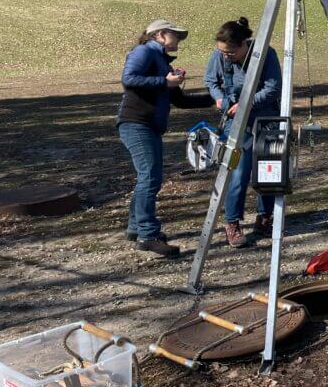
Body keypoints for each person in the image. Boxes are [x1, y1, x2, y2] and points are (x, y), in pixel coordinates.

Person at [117, 19, 212, 256]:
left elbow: (180, 100)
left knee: (147, 178)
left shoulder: (163, 62)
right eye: (176, 35)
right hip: (136, 122)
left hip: (148, 125)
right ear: (160, 34)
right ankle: (147, 235)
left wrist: (215, 99)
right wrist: (164, 81)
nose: (179, 40)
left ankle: (135, 228)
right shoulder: (144, 51)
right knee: (150, 178)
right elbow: (129, 79)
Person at [204, 17, 282, 248]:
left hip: (265, 119)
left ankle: (265, 216)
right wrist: (219, 98)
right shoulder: (219, 56)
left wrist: (247, 103)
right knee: (237, 172)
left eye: (230, 52)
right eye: (223, 53)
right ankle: (233, 223)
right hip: (234, 122)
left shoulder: (266, 54)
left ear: (244, 44)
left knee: (268, 169)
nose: (226, 56)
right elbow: (211, 81)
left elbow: (272, 88)